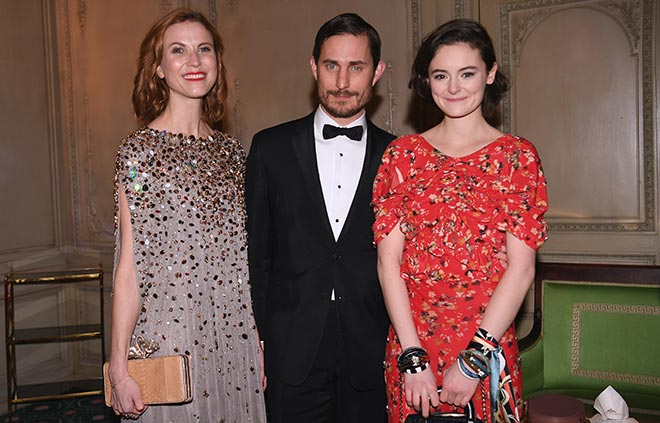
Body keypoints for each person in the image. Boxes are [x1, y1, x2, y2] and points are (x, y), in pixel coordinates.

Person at [373, 19, 548, 423]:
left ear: (490, 73)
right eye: (441, 75)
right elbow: (389, 265)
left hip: (487, 348)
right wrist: (412, 357)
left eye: (467, 73)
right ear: (427, 81)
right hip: (412, 347)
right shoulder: (402, 156)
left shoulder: (517, 158)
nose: (453, 88)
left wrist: (472, 361)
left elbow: (521, 270)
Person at [108, 8, 266, 422]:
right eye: (178, 51)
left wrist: (259, 340)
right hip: (170, 334)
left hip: (235, 336)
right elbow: (128, 267)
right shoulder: (138, 154)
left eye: (204, 49)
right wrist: (119, 367)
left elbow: (243, 260)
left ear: (217, 61)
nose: (194, 61)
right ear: (158, 68)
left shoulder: (232, 153)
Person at [245, 13, 395, 423]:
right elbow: (256, 255)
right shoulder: (269, 148)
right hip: (291, 347)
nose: (342, 81)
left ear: (377, 72)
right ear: (314, 68)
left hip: (372, 344)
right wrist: (254, 339)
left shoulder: (400, 157)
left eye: (356, 67)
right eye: (331, 66)